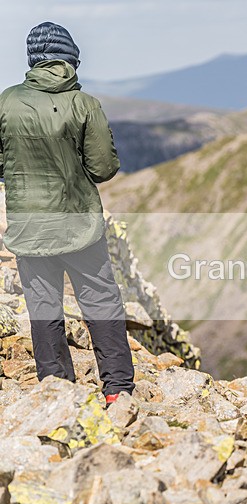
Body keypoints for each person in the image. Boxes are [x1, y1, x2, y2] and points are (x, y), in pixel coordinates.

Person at [0, 22, 134, 404]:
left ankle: (57, 393)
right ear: (70, 57)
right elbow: (103, 168)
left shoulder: (5, 102)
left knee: (43, 307)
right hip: (80, 225)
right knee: (101, 301)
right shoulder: (85, 104)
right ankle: (117, 391)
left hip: (29, 226)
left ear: (33, 59)